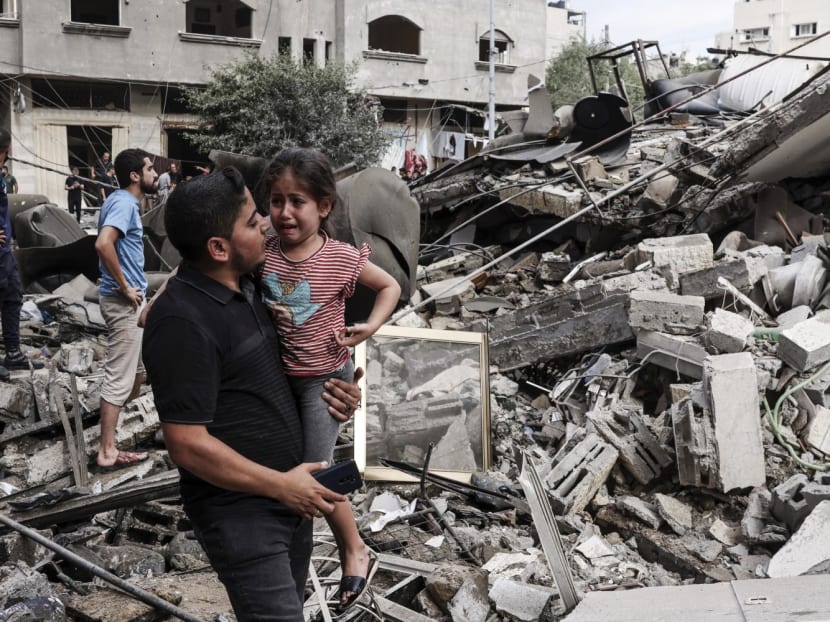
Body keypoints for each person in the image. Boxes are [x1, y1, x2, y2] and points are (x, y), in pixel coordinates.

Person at [142, 167, 363, 620]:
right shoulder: (181, 321)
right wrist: (281, 485)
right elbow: (187, 444)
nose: (266, 222)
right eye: (250, 220)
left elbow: (292, 365)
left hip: (291, 496)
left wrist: (337, 392)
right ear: (218, 248)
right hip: (243, 513)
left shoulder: (253, 284)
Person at [261, 147, 400, 612]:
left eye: (296, 201)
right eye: (276, 201)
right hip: (282, 377)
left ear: (323, 206)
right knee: (295, 468)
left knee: (314, 472)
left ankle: (353, 548)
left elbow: (390, 286)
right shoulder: (263, 251)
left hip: (325, 378)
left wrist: (372, 326)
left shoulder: (340, 257)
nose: (284, 213)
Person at [94, 148, 157, 468]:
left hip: (130, 300)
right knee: (119, 376)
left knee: (136, 376)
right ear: (135, 176)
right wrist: (124, 286)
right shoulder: (122, 202)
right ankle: (107, 450)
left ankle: (113, 433)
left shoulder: (126, 202)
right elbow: (103, 243)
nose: (155, 174)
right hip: (122, 302)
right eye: (149, 169)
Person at [0, 129, 44, 380]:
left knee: (14, 297)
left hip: (5, 252)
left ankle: (14, 353)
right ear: (7, 149)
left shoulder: (2, 175)